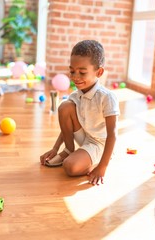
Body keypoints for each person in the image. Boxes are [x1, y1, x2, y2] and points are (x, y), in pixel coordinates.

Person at [40, 40, 120, 186]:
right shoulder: (76, 95)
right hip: (85, 137)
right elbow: (66, 127)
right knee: (64, 106)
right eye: (72, 71)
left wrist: (102, 167)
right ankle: (69, 150)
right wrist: (55, 148)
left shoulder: (107, 97)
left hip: (99, 144)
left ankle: (97, 160)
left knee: (70, 167)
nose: (75, 77)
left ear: (99, 72)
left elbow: (112, 134)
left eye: (82, 72)